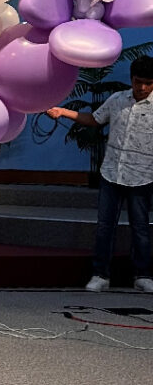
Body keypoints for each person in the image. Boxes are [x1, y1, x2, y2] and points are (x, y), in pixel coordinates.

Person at [46, 55, 153, 293]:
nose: (143, 88)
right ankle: (100, 275)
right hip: (111, 173)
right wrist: (63, 112)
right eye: (138, 82)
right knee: (105, 227)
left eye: (148, 83)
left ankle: (143, 275)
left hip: (143, 176)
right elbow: (94, 119)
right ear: (131, 79)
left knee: (141, 228)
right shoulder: (117, 99)